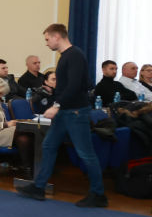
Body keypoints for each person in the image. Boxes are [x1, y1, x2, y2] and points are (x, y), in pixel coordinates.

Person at [18, 25, 107, 207]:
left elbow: (75, 85)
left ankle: (98, 194)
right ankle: (39, 187)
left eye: (47, 39)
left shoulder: (74, 55)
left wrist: (56, 105)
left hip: (75, 112)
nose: (46, 43)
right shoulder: (68, 56)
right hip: (67, 111)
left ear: (57, 37)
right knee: (48, 145)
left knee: (85, 153)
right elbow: (84, 83)